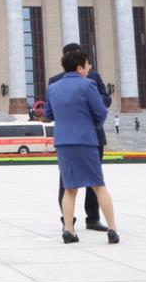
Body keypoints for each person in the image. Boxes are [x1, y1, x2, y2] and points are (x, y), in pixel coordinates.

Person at [44, 49, 119, 245]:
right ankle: (112, 228)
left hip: (63, 142)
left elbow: (48, 115)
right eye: (87, 66)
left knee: (70, 189)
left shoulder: (53, 87)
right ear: (79, 67)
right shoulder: (88, 85)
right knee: (98, 186)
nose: (89, 69)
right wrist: (92, 125)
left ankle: (68, 230)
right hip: (85, 141)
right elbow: (101, 111)